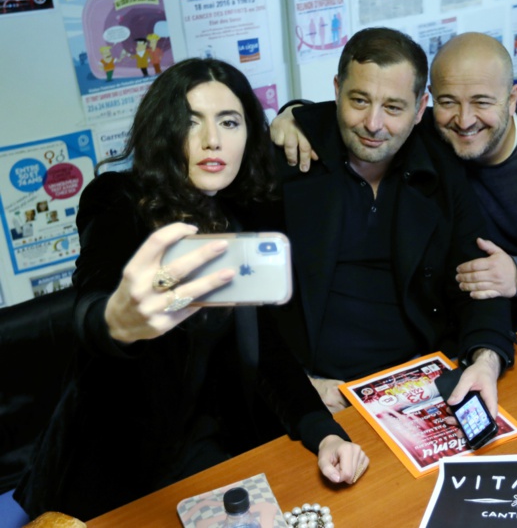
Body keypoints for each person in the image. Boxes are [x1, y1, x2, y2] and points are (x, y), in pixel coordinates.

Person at [14, 58, 368, 522]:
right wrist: (117, 321)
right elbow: (95, 300)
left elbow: (267, 348)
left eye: (229, 122)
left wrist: (325, 433)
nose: (212, 139)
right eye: (191, 121)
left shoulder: (238, 213)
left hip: (214, 450)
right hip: (119, 466)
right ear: (164, 130)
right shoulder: (119, 199)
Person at [272, 32, 517, 332]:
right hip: (510, 295)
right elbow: (370, 108)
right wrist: (295, 117)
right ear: (428, 104)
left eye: (482, 102)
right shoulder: (430, 133)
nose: (465, 120)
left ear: (511, 99)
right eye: (449, 101)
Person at [266, 28, 516, 419]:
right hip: (318, 394)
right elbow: (244, 313)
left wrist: (486, 359)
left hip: (418, 383)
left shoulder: (441, 163)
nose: (373, 123)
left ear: (420, 109)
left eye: (394, 108)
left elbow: (478, 280)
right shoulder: (288, 159)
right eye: (359, 100)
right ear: (337, 90)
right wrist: (296, 386)